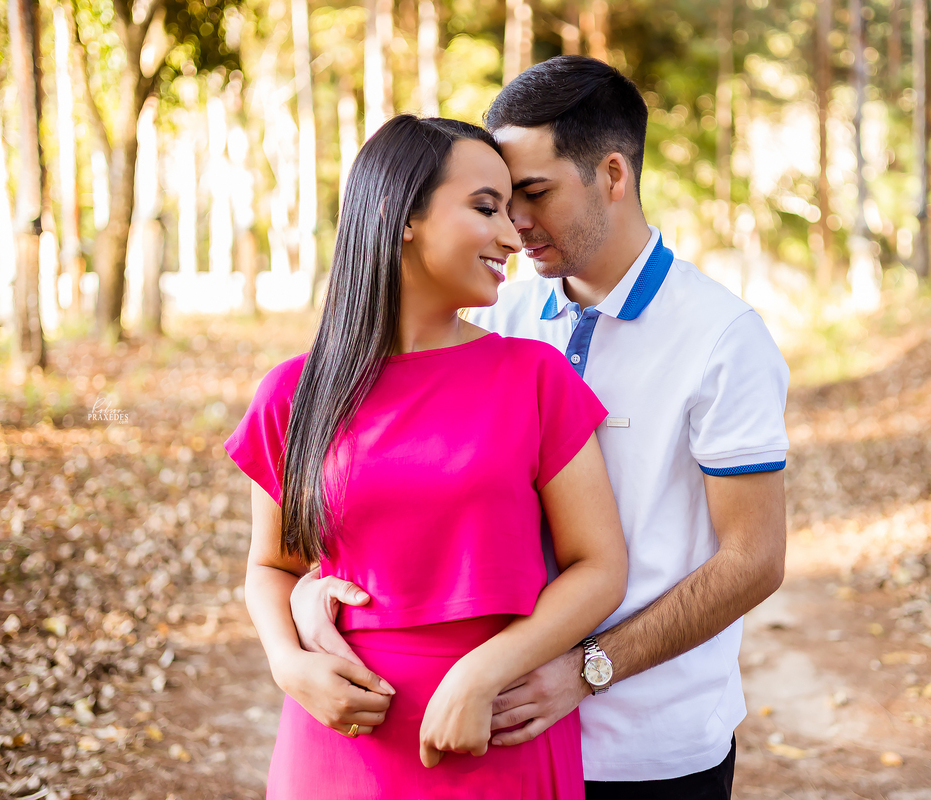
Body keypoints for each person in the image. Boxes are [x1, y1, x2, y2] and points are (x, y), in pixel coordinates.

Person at [292, 57, 790, 799]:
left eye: (534, 192)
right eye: (496, 199)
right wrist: (314, 588)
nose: (514, 222)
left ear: (612, 175)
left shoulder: (722, 337)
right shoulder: (491, 317)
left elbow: (754, 558)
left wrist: (589, 669)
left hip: (649, 749)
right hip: (488, 740)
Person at [227, 114, 628, 799]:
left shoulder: (535, 377)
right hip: (339, 741)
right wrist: (288, 664)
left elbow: (600, 567)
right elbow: (271, 565)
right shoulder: (294, 393)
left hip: (496, 731)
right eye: (485, 208)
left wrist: (483, 672)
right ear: (399, 214)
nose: (512, 234)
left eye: (511, 210)